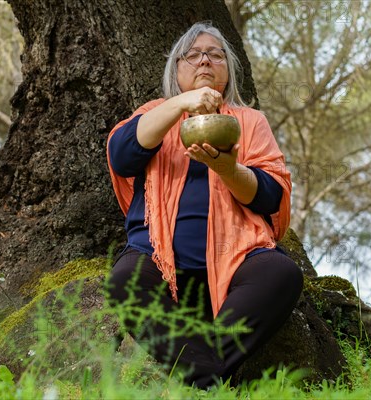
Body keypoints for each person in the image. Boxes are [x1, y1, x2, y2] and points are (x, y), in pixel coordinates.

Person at [105, 22, 304, 388]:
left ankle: (198, 379)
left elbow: (271, 194)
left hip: (238, 259)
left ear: (228, 70)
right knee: (126, 282)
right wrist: (181, 104)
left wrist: (229, 169)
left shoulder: (249, 121)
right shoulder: (155, 113)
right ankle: (210, 380)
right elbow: (121, 156)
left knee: (282, 274)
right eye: (193, 55)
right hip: (157, 260)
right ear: (175, 70)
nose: (204, 61)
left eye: (215, 55)